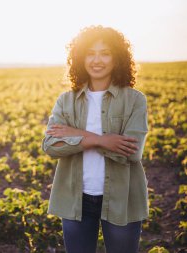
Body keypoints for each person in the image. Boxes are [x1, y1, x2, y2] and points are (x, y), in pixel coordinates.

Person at [41, 25, 149, 253]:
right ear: (80, 58)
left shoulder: (135, 100)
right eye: (90, 53)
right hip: (75, 199)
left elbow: (131, 151)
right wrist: (102, 140)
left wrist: (77, 136)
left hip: (122, 199)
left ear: (117, 58)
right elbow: (50, 146)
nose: (96, 60)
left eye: (105, 53)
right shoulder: (65, 101)